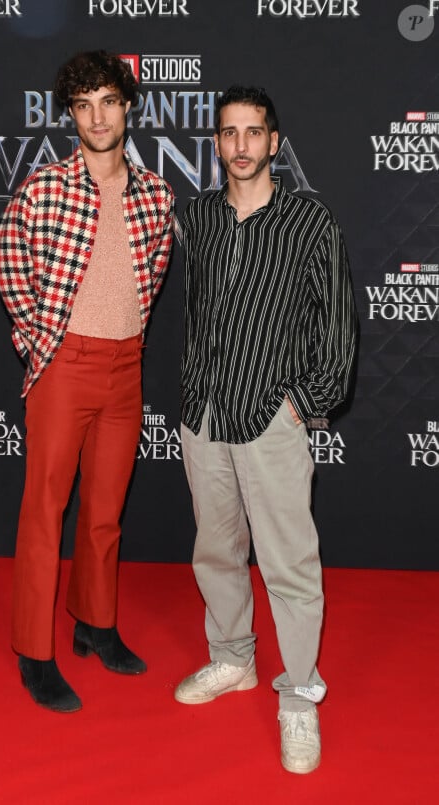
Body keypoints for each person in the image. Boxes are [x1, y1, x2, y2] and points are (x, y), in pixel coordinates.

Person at [174, 85, 358, 773]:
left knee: (289, 565)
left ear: (274, 142)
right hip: (205, 416)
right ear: (216, 143)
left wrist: (302, 404)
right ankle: (232, 660)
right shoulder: (198, 217)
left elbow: (339, 330)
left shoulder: (312, 223)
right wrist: (193, 388)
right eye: (230, 132)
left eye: (255, 132)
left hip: (271, 420)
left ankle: (300, 697)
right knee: (216, 551)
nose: (242, 144)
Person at [0, 51, 174, 714]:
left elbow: (151, 278)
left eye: (108, 101)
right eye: (83, 105)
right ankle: (33, 651)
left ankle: (94, 624)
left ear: (128, 107)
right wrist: (42, 342)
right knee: (45, 512)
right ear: (71, 114)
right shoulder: (42, 190)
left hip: (126, 367)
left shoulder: (157, 195)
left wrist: (123, 339)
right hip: (63, 367)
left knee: (105, 513)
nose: (97, 116)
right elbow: (12, 273)